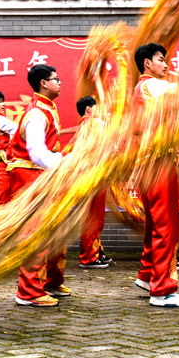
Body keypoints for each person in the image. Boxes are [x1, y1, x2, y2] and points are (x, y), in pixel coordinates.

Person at [133, 43, 179, 307]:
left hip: (149, 162)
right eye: (161, 59)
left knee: (154, 224)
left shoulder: (143, 89)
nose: (166, 65)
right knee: (166, 225)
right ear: (147, 63)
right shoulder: (152, 86)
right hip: (159, 161)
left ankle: (147, 276)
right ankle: (163, 290)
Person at [8, 64, 68, 307]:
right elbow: (36, 153)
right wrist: (63, 163)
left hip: (41, 176)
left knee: (54, 232)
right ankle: (29, 292)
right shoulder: (36, 114)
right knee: (35, 234)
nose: (60, 82)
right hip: (29, 178)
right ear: (43, 83)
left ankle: (50, 282)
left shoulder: (46, 108)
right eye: (56, 78)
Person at [76, 96, 112, 269]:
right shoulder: (94, 124)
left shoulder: (84, 126)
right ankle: (89, 257)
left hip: (88, 175)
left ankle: (95, 253)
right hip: (94, 175)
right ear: (89, 110)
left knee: (93, 217)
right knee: (94, 217)